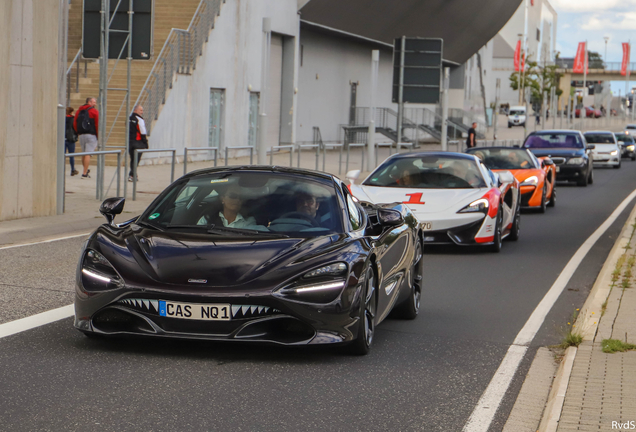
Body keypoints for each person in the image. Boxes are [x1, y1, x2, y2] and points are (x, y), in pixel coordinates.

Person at [73, 97, 99, 179]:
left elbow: (75, 123)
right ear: (89, 102)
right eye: (94, 102)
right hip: (91, 134)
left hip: (82, 135)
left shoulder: (79, 111)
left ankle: (85, 169)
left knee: (83, 153)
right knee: (88, 154)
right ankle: (84, 173)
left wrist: (78, 132)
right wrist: (98, 135)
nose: (95, 104)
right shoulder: (94, 111)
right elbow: (97, 124)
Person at [128, 105, 148, 182]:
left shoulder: (129, 119)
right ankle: (132, 175)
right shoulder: (139, 119)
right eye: (141, 110)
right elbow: (143, 131)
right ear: (135, 110)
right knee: (136, 160)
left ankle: (133, 174)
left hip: (130, 142)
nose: (142, 112)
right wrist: (145, 142)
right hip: (138, 142)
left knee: (133, 159)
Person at [65, 107, 79, 176]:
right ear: (71, 112)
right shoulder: (73, 119)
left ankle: (61, 169)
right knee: (71, 155)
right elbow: (76, 128)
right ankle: (72, 169)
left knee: (62, 156)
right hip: (71, 139)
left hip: (63, 139)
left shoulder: (62, 119)